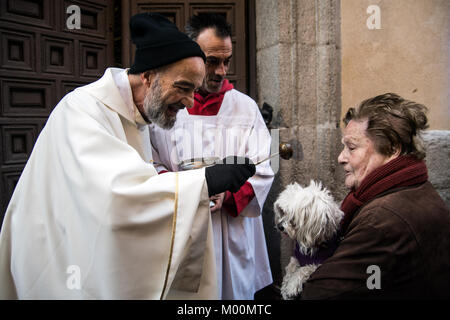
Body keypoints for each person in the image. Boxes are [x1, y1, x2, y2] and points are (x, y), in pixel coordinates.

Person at [0, 13, 256, 299]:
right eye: (183, 88)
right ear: (148, 76)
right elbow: (114, 197)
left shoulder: (139, 116)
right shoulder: (81, 111)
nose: (188, 102)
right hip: (59, 261)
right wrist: (205, 180)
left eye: (194, 91)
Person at [149, 14, 274, 299]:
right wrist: (186, 191)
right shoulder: (167, 109)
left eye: (226, 61)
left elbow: (264, 167)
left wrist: (228, 197)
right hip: (183, 227)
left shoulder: (245, 108)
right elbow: (150, 165)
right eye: (211, 61)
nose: (221, 71)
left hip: (232, 230)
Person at [300, 93, 450, 299]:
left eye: (351, 147)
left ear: (392, 149)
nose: (341, 157)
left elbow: (317, 294)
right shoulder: (415, 188)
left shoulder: (381, 220)